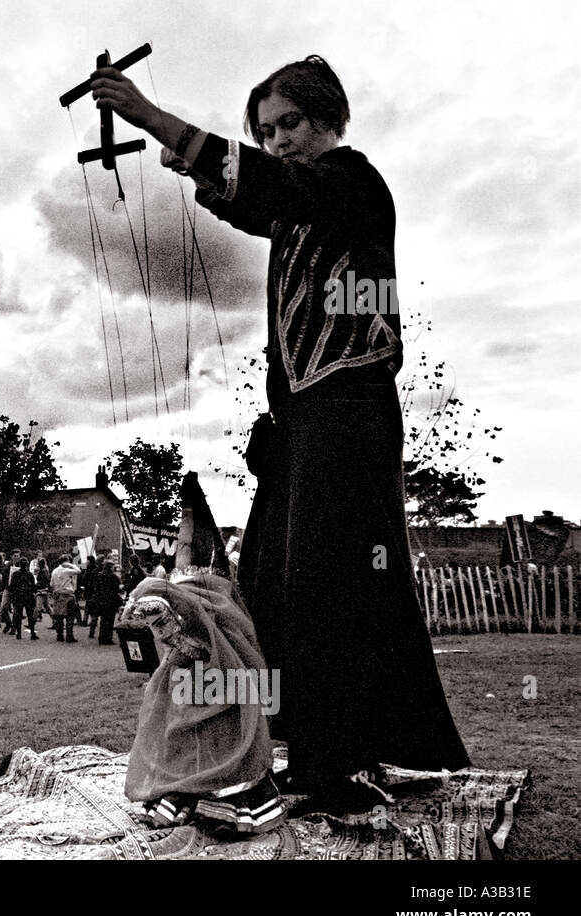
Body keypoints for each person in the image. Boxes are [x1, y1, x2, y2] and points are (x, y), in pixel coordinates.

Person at [93, 53, 469, 797]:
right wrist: (191, 165)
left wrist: (156, 118)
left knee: (337, 590)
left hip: (350, 412)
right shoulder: (302, 212)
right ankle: (327, 744)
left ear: (329, 117)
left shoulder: (352, 184)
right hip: (303, 422)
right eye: (265, 132)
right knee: (280, 586)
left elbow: (274, 188)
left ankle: (337, 763)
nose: (278, 141)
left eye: (290, 123)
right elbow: (249, 200)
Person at [122, 573, 284, 834]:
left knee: (219, 729)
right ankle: (185, 795)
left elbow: (201, 641)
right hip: (191, 658)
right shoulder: (185, 602)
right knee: (181, 727)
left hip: (210, 658)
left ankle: (222, 802)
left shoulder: (208, 614)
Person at [89, 560, 122, 646]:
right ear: (110, 567)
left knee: (103, 620)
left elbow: (95, 588)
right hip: (110, 601)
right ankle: (108, 638)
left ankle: (101, 637)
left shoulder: (99, 575)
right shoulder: (113, 577)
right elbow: (118, 588)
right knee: (110, 620)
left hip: (100, 601)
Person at [49, 555, 81, 643]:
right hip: (68, 594)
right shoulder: (67, 571)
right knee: (70, 616)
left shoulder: (54, 571)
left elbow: (51, 584)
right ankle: (69, 635)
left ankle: (59, 635)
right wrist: (72, 565)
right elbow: (78, 571)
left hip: (58, 594)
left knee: (59, 616)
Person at [7, 555, 38, 640]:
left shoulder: (15, 574)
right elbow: (34, 586)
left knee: (18, 615)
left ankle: (19, 633)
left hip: (18, 597)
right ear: (27, 565)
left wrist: (12, 596)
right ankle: (32, 633)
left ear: (19, 565)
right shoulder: (30, 575)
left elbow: (11, 586)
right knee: (30, 616)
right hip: (28, 597)